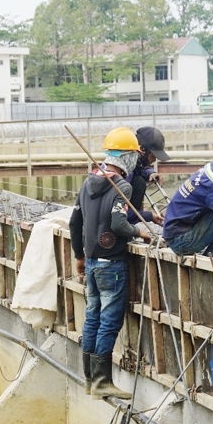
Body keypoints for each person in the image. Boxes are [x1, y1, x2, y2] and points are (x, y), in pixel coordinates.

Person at [69, 127, 152, 400]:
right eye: (134, 156)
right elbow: (118, 223)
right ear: (127, 156)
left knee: (92, 319)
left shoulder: (88, 182)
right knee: (108, 322)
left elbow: (75, 222)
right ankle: (104, 381)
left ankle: (90, 379)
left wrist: (80, 256)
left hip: (92, 262)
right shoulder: (122, 185)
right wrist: (139, 231)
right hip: (112, 266)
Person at [127, 126, 170, 227]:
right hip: (108, 229)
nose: (154, 160)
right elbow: (119, 214)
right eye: (153, 156)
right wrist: (149, 216)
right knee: (139, 184)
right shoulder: (123, 175)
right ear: (142, 151)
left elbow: (138, 168)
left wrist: (149, 173)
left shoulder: (129, 164)